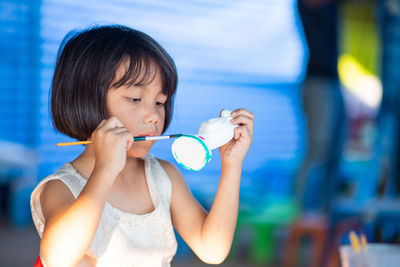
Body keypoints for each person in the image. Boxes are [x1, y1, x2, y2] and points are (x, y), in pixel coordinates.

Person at [30, 25, 254, 267]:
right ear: (85, 97)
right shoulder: (60, 188)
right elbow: (58, 259)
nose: (154, 116)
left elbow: (213, 249)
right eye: (135, 99)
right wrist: (105, 170)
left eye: (160, 102)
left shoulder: (163, 176)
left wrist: (232, 164)